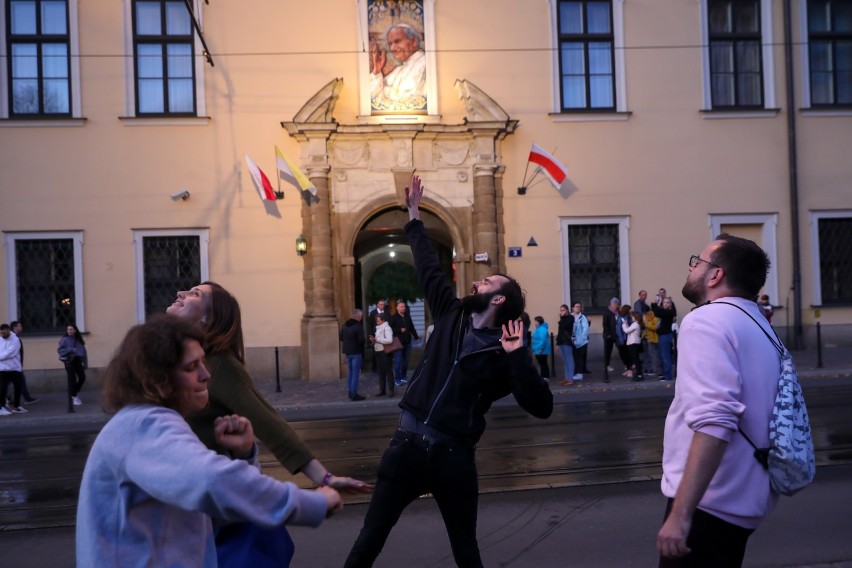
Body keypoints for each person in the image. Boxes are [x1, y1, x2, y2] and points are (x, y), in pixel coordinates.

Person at [345, 175, 553, 568]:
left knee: (466, 552)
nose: (477, 281)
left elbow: (540, 405)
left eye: (486, 281)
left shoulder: (503, 351)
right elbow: (427, 267)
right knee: (367, 542)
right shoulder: (452, 312)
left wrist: (519, 356)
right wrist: (413, 216)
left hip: (453, 457)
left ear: (499, 298)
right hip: (405, 446)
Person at [76, 315, 342, 568]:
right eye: (192, 367)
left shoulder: (147, 422)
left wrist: (243, 455)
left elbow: (221, 505)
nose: (206, 375)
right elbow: (212, 482)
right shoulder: (146, 425)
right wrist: (313, 503)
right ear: (157, 379)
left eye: (203, 362)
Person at [167, 282, 371, 565]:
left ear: (207, 320)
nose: (181, 294)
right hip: (182, 501)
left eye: (195, 294)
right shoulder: (171, 357)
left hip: (210, 506)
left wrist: (324, 479)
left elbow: (270, 423)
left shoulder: (220, 366)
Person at [657, 235, 781, 567]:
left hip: (708, 503)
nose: (691, 266)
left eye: (697, 261)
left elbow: (715, 422)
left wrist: (681, 515)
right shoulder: (758, 324)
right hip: (747, 500)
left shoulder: (705, 321)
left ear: (716, 275)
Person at [370, 24, 426, 111]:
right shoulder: (397, 71)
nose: (393, 48)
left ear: (414, 41)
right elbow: (374, 98)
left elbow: (414, 97)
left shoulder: (426, 63)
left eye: (397, 41)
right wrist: (376, 72)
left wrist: (390, 96)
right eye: (390, 44)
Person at [390, 300, 419, 386]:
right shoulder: (394, 317)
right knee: (398, 361)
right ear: (397, 308)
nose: (403, 308)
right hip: (397, 342)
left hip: (407, 342)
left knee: (406, 361)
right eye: (401, 307)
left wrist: (416, 337)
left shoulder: (407, 316)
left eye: (404, 307)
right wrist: (399, 330)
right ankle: (397, 379)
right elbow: (390, 329)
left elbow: (412, 327)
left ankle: (403, 376)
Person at [57, 324, 87, 407]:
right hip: (69, 362)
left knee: (82, 377)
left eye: (71, 329)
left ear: (75, 330)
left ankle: (72, 391)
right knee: (72, 379)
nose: (69, 331)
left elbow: (84, 352)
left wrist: (85, 364)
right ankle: (74, 396)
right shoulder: (64, 339)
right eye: (68, 329)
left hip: (78, 361)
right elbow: (60, 350)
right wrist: (70, 349)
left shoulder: (78, 339)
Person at [340, 309, 366, 401]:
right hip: (356, 352)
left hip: (347, 352)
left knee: (350, 373)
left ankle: (350, 392)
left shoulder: (345, 325)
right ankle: (354, 394)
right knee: (355, 374)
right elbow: (361, 340)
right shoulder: (358, 326)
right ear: (358, 317)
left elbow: (341, 337)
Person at [0, 323, 26, 415]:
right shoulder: (0, 339)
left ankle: (16, 406)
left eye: (4, 333)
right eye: (1, 333)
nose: (3, 335)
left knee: (18, 387)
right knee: (2, 388)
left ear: (9, 331)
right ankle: (1, 407)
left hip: (14, 368)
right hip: (3, 369)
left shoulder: (15, 340)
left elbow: (10, 353)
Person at [602, 297, 629, 381]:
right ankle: (607, 366)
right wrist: (608, 334)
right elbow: (605, 324)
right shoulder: (607, 312)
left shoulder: (618, 312)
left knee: (622, 349)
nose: (616, 306)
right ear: (611, 304)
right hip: (609, 335)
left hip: (618, 334)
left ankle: (626, 364)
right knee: (608, 351)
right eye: (615, 304)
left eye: (617, 304)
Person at [9, 321, 36, 404]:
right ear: (15, 327)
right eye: (19, 326)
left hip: (15, 364)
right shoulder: (12, 338)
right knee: (20, 381)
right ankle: (26, 399)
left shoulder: (14, 337)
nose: (21, 327)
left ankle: (9, 398)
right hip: (13, 365)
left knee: (14, 382)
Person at [652, 297, 677, 381]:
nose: (665, 304)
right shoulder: (666, 312)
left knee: (665, 356)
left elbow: (657, 312)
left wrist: (654, 304)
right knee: (662, 356)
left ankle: (668, 375)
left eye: (667, 302)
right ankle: (665, 374)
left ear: (670, 304)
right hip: (663, 335)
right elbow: (659, 312)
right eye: (664, 302)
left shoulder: (670, 312)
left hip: (665, 336)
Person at [371, 314, 395, 397]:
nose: (377, 322)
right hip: (378, 350)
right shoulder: (378, 328)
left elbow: (389, 340)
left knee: (388, 371)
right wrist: (374, 340)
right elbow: (379, 339)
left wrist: (377, 339)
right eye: (376, 321)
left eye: (378, 320)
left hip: (385, 352)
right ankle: (382, 390)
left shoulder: (387, 328)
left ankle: (391, 390)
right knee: (381, 372)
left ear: (383, 320)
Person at [621, 309, 644, 381]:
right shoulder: (635, 324)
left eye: (632, 316)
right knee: (635, 359)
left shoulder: (636, 324)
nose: (631, 317)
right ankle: (638, 373)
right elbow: (629, 329)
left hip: (634, 343)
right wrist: (627, 324)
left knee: (636, 359)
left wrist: (624, 324)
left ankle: (639, 374)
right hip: (633, 343)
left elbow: (627, 331)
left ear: (636, 317)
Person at [556, 305, 575, 386]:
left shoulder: (570, 318)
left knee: (569, 360)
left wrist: (562, 318)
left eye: (563, 310)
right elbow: (559, 331)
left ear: (567, 310)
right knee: (565, 361)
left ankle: (570, 379)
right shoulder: (562, 319)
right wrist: (557, 343)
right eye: (561, 310)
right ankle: (566, 378)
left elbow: (565, 325)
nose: (562, 312)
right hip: (561, 341)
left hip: (567, 341)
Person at [571, 302, 590, 382]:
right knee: (575, 357)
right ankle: (575, 372)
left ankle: (579, 373)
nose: (578, 308)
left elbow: (585, 329)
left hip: (582, 341)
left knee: (580, 357)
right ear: (573, 308)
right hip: (572, 340)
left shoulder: (583, 317)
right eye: (576, 306)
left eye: (579, 306)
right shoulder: (570, 317)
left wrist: (581, 339)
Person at [368, 300, 388, 371]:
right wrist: (370, 334)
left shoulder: (386, 312)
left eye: (383, 304)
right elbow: (370, 324)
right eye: (381, 304)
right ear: (377, 305)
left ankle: (383, 366)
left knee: (384, 350)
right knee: (375, 351)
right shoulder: (373, 313)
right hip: (375, 334)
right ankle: (375, 367)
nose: (382, 306)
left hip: (384, 334)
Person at [642, 305, 660, 376]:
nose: (647, 314)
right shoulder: (644, 316)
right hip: (645, 337)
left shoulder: (655, 317)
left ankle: (654, 369)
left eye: (647, 312)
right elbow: (644, 324)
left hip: (652, 337)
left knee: (653, 354)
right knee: (645, 354)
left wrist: (647, 324)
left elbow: (655, 327)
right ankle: (646, 368)